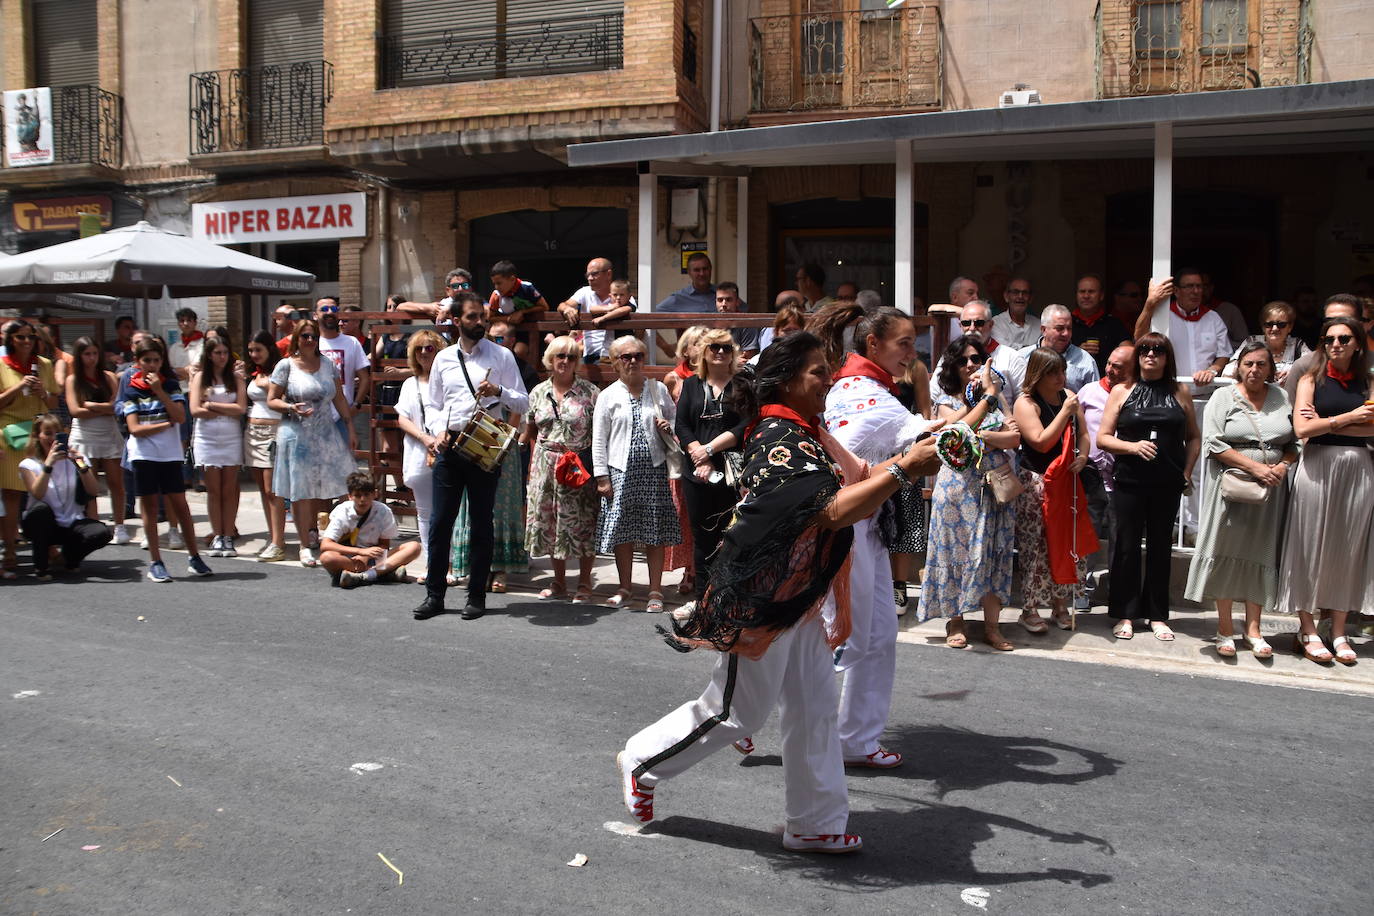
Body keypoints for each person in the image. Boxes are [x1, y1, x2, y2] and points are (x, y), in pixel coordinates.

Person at [617, 331, 941, 853]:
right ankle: (642, 759)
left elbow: (859, 480)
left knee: (814, 708)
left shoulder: (810, 430)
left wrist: (921, 456)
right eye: (818, 373)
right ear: (788, 380)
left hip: (801, 595)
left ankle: (815, 823)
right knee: (737, 713)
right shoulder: (777, 435)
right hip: (763, 597)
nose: (829, 381)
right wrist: (905, 469)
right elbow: (833, 511)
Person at [816, 304, 941, 767]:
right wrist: (988, 404)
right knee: (833, 636)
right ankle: (744, 711)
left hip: (865, 523)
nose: (912, 352)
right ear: (873, 345)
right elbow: (933, 436)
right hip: (841, 525)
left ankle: (856, 740)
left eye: (913, 343)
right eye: (904, 343)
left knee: (877, 634)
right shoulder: (862, 391)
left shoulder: (870, 387)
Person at [415, 292, 529, 622]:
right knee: (440, 524)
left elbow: (523, 402)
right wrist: (437, 432)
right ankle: (434, 595)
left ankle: (476, 596)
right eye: (472, 317)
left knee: (481, 524)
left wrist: (499, 392)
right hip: (450, 446)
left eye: (482, 316)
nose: (479, 322)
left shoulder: (502, 356)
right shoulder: (443, 358)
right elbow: (433, 404)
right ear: (456, 321)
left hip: (484, 446)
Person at [1183, 342, 1296, 658]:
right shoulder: (1223, 396)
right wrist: (1257, 467)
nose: (1255, 370)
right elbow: (1213, 443)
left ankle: (1254, 629)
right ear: (1238, 367)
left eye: (1261, 364)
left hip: (1270, 490)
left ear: (1270, 369)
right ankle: (1225, 628)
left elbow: (1294, 443)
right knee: (1225, 551)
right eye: (1248, 363)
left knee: (1260, 552)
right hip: (1231, 486)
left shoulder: (1281, 397)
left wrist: (1282, 466)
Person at [1277, 318, 1374, 665]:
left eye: (1344, 338)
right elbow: (1303, 428)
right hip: (1317, 464)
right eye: (1329, 339)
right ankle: (1308, 629)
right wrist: (1350, 418)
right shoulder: (1309, 379)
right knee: (1309, 544)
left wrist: (1328, 423)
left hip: (1358, 467)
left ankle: (1339, 629)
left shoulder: (1368, 381)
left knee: (1348, 547)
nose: (1335, 344)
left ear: (1357, 343)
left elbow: (1373, 426)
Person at [916, 337, 1020, 651]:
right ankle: (955, 622)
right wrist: (981, 414)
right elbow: (951, 433)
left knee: (993, 553)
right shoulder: (948, 399)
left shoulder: (998, 397)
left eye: (976, 358)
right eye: (963, 361)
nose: (971, 365)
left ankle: (992, 628)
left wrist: (986, 433)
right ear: (953, 366)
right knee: (953, 552)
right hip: (956, 487)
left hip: (992, 486)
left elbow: (1014, 438)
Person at [1095, 333, 1201, 640]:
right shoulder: (1121, 390)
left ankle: (1157, 614)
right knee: (1126, 546)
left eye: (1158, 350)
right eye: (1144, 350)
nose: (1150, 355)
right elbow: (1103, 437)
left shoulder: (1180, 391)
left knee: (1159, 548)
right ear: (1137, 355)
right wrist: (1132, 447)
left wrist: (1187, 470)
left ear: (1168, 357)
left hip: (1167, 481)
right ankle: (1125, 614)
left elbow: (1194, 436)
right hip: (1130, 480)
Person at [592, 336, 679, 612]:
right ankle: (625, 587)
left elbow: (676, 421)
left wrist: (669, 426)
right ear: (616, 362)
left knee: (654, 530)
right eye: (625, 357)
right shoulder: (608, 395)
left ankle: (655, 590)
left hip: (653, 470)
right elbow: (599, 439)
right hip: (620, 471)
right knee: (623, 531)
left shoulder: (658, 389)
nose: (632, 361)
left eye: (638, 356)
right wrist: (601, 476)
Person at [1011, 347, 1094, 634]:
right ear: (1039, 375)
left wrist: (1082, 457)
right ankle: (1030, 608)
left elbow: (1083, 435)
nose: (1061, 377)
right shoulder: (1026, 403)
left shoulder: (1067, 398)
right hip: (1036, 481)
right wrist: (1066, 412)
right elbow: (1041, 442)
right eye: (1054, 372)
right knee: (1035, 546)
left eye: (1062, 371)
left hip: (1066, 482)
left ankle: (1061, 604)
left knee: (1065, 543)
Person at [117, 339, 213, 583]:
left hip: (169, 455)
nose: (151, 365)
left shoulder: (170, 385)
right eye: (146, 360)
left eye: (156, 360)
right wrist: (164, 424)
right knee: (148, 507)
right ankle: (156, 561)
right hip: (143, 455)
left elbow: (181, 416)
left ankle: (194, 557)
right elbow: (135, 429)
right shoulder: (131, 389)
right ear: (138, 362)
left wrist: (160, 391)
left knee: (180, 505)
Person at [266, 319, 357, 567]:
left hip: (326, 432)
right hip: (297, 433)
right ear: (296, 338)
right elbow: (272, 399)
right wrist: (289, 406)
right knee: (301, 491)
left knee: (336, 484)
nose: (309, 340)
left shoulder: (327, 364)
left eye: (313, 336)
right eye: (305, 336)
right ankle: (305, 544)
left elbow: (338, 397)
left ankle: (332, 537)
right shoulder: (286, 365)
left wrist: (349, 426)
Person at [449, 322, 529, 595]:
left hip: (502, 438)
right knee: (474, 505)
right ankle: (477, 567)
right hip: (474, 435)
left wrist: (511, 438)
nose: (496, 341)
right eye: (494, 336)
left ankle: (501, 568)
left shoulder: (511, 362)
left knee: (502, 505)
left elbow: (520, 407)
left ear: (511, 339)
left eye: (501, 337)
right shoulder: (471, 361)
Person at [523, 335, 601, 603]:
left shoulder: (590, 392)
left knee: (582, 523)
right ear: (550, 359)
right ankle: (559, 582)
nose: (565, 361)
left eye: (571, 357)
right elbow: (530, 430)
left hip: (577, 465)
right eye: (560, 356)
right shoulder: (537, 392)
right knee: (552, 524)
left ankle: (584, 583)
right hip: (545, 465)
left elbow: (599, 434)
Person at [676, 329, 747, 603]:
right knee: (702, 536)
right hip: (696, 473)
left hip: (731, 473)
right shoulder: (692, 384)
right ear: (704, 352)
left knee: (732, 534)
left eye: (726, 348)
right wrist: (698, 454)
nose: (720, 352)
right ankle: (703, 599)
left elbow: (744, 425)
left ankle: (729, 597)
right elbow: (681, 425)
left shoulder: (742, 386)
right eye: (714, 347)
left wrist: (709, 450)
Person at [1, 318, 61, 578]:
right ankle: (10, 550)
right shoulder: (1, 366)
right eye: (21, 337)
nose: (27, 342)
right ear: (10, 340)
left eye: (30, 337)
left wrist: (41, 393)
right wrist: (19, 386)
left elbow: (54, 402)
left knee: (44, 491)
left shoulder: (44, 365)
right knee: (13, 494)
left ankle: (46, 545)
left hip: (37, 431)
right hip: (11, 432)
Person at [18, 414, 111, 579]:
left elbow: (93, 490)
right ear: (37, 436)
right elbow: (37, 493)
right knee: (41, 511)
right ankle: (41, 567)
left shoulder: (76, 460)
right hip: (41, 524)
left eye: (57, 433)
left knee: (101, 532)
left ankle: (69, 559)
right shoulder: (29, 464)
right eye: (47, 433)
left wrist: (81, 466)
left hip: (71, 522)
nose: (53, 438)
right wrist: (49, 464)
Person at [1078, 344, 1135, 590]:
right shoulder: (1089, 391)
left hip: (1123, 477)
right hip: (1091, 476)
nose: (1110, 370)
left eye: (1118, 367)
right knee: (1086, 535)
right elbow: (1075, 429)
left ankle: (1118, 591)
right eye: (1109, 363)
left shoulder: (1137, 393)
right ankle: (1081, 587)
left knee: (1120, 536)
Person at [391, 330, 444, 584]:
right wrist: (424, 438)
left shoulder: (447, 381)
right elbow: (402, 418)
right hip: (419, 452)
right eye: (419, 348)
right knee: (424, 513)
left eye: (430, 348)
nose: (424, 353)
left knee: (449, 512)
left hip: (446, 452)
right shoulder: (409, 384)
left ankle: (452, 564)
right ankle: (433, 566)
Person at [64, 335, 128, 544]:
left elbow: (116, 407)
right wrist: (102, 409)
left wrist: (92, 406)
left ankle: (120, 525)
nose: (91, 358)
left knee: (115, 482)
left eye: (94, 353)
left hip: (109, 434)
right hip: (84, 436)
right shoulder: (73, 380)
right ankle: (93, 524)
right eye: (86, 354)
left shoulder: (109, 377)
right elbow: (75, 410)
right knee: (88, 483)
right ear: (79, 356)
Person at [190, 336, 247, 557]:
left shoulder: (236, 378)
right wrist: (227, 407)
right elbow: (195, 410)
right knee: (214, 490)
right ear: (209, 355)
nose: (222, 357)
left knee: (229, 489)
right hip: (207, 439)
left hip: (231, 438)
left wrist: (212, 405)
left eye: (225, 352)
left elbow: (241, 408)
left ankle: (228, 535)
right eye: (217, 353)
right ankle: (217, 534)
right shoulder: (200, 378)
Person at [318, 471, 421, 589]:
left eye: (367, 495)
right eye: (357, 495)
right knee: (327, 558)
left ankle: (367, 575)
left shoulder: (383, 511)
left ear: (374, 494)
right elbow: (326, 545)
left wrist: (367, 556)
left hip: (374, 559)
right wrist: (360, 552)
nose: (362, 500)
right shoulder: (342, 511)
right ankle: (385, 573)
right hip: (349, 559)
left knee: (414, 547)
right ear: (350, 496)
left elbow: (384, 545)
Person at [889, 344, 932, 611]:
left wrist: (916, 460)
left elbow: (926, 414)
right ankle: (878, 585)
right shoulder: (871, 370)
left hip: (905, 450)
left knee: (903, 523)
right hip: (875, 452)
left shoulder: (916, 368)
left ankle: (899, 586)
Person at [1133, 270, 1231, 384]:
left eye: (1199, 286)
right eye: (1189, 286)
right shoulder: (1162, 316)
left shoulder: (1213, 318)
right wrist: (1149, 304)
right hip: (1169, 391)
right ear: (1176, 291)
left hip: (1205, 392)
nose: (1196, 291)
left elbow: (1224, 354)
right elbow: (1139, 338)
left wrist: (1211, 371)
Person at [243, 331, 287, 562]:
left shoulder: (280, 369)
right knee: (262, 489)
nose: (254, 354)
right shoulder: (253, 372)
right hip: (252, 432)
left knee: (273, 490)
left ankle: (278, 542)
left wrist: (265, 382)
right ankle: (273, 538)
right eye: (251, 350)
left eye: (258, 349)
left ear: (270, 349)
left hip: (273, 431)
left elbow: (286, 395)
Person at [1282, 294, 1362, 402]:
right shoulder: (1305, 366)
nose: (1336, 325)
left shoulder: (1371, 364)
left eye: (1344, 320)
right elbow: (1290, 411)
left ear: (1360, 324)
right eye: (1329, 320)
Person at [315, 297, 369, 452]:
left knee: (343, 469)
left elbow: (365, 378)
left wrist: (356, 405)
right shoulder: (311, 341)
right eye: (324, 309)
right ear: (315, 315)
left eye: (334, 309)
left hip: (343, 418)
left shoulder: (351, 342)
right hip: (314, 417)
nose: (330, 312)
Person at [556, 257, 635, 362]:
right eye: (588, 275)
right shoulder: (584, 292)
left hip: (617, 355)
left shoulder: (625, 298)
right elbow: (562, 305)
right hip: (590, 354)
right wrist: (566, 309)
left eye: (594, 274)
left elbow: (639, 327)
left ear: (608, 274)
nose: (590, 278)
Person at [1223, 301, 1309, 385]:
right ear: (1263, 327)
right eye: (1269, 324)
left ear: (1290, 327)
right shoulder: (1251, 341)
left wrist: (1294, 373)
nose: (1275, 328)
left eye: (1281, 325)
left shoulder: (1298, 345)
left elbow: (1315, 367)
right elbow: (1228, 371)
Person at [1021, 304, 1099, 392]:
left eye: (1069, 328)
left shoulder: (1085, 361)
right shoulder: (1022, 357)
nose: (1066, 333)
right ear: (1043, 330)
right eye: (1060, 328)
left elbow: (1094, 399)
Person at [653, 252, 716, 358]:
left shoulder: (723, 296)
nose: (702, 273)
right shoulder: (678, 299)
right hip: (690, 361)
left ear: (710, 270)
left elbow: (744, 314)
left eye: (705, 269)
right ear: (689, 272)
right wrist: (665, 347)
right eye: (696, 270)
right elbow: (645, 319)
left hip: (719, 357)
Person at [1071, 274, 1132, 374]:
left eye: (1091, 292)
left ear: (1101, 296)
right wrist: (1077, 352)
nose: (1086, 296)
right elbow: (1053, 353)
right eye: (1082, 292)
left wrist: (1115, 357)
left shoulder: (1113, 323)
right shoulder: (1066, 323)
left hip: (1107, 381)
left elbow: (1129, 351)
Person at [487, 259, 550, 325]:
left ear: (512, 279)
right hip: (508, 332)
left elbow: (544, 307)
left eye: (499, 283)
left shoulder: (527, 288)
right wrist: (508, 318)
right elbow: (490, 318)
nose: (496, 287)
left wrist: (522, 312)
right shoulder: (496, 295)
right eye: (494, 284)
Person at [990, 276, 1041, 349]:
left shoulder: (1039, 325)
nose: (1020, 296)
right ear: (1006, 296)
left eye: (1025, 293)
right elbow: (1005, 352)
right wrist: (1035, 349)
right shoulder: (996, 323)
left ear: (1030, 298)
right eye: (1015, 292)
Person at [715, 281, 759, 359]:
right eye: (720, 300)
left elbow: (748, 357)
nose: (724, 304)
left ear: (737, 302)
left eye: (728, 300)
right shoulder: (710, 322)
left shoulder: (747, 323)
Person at [169, 308, 205, 382]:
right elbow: (169, 370)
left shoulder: (204, 344)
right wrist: (187, 370)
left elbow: (196, 368)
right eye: (182, 320)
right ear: (178, 324)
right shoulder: (174, 347)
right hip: (177, 387)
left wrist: (177, 371)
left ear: (195, 323)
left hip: (197, 385)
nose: (185, 323)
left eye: (189, 320)